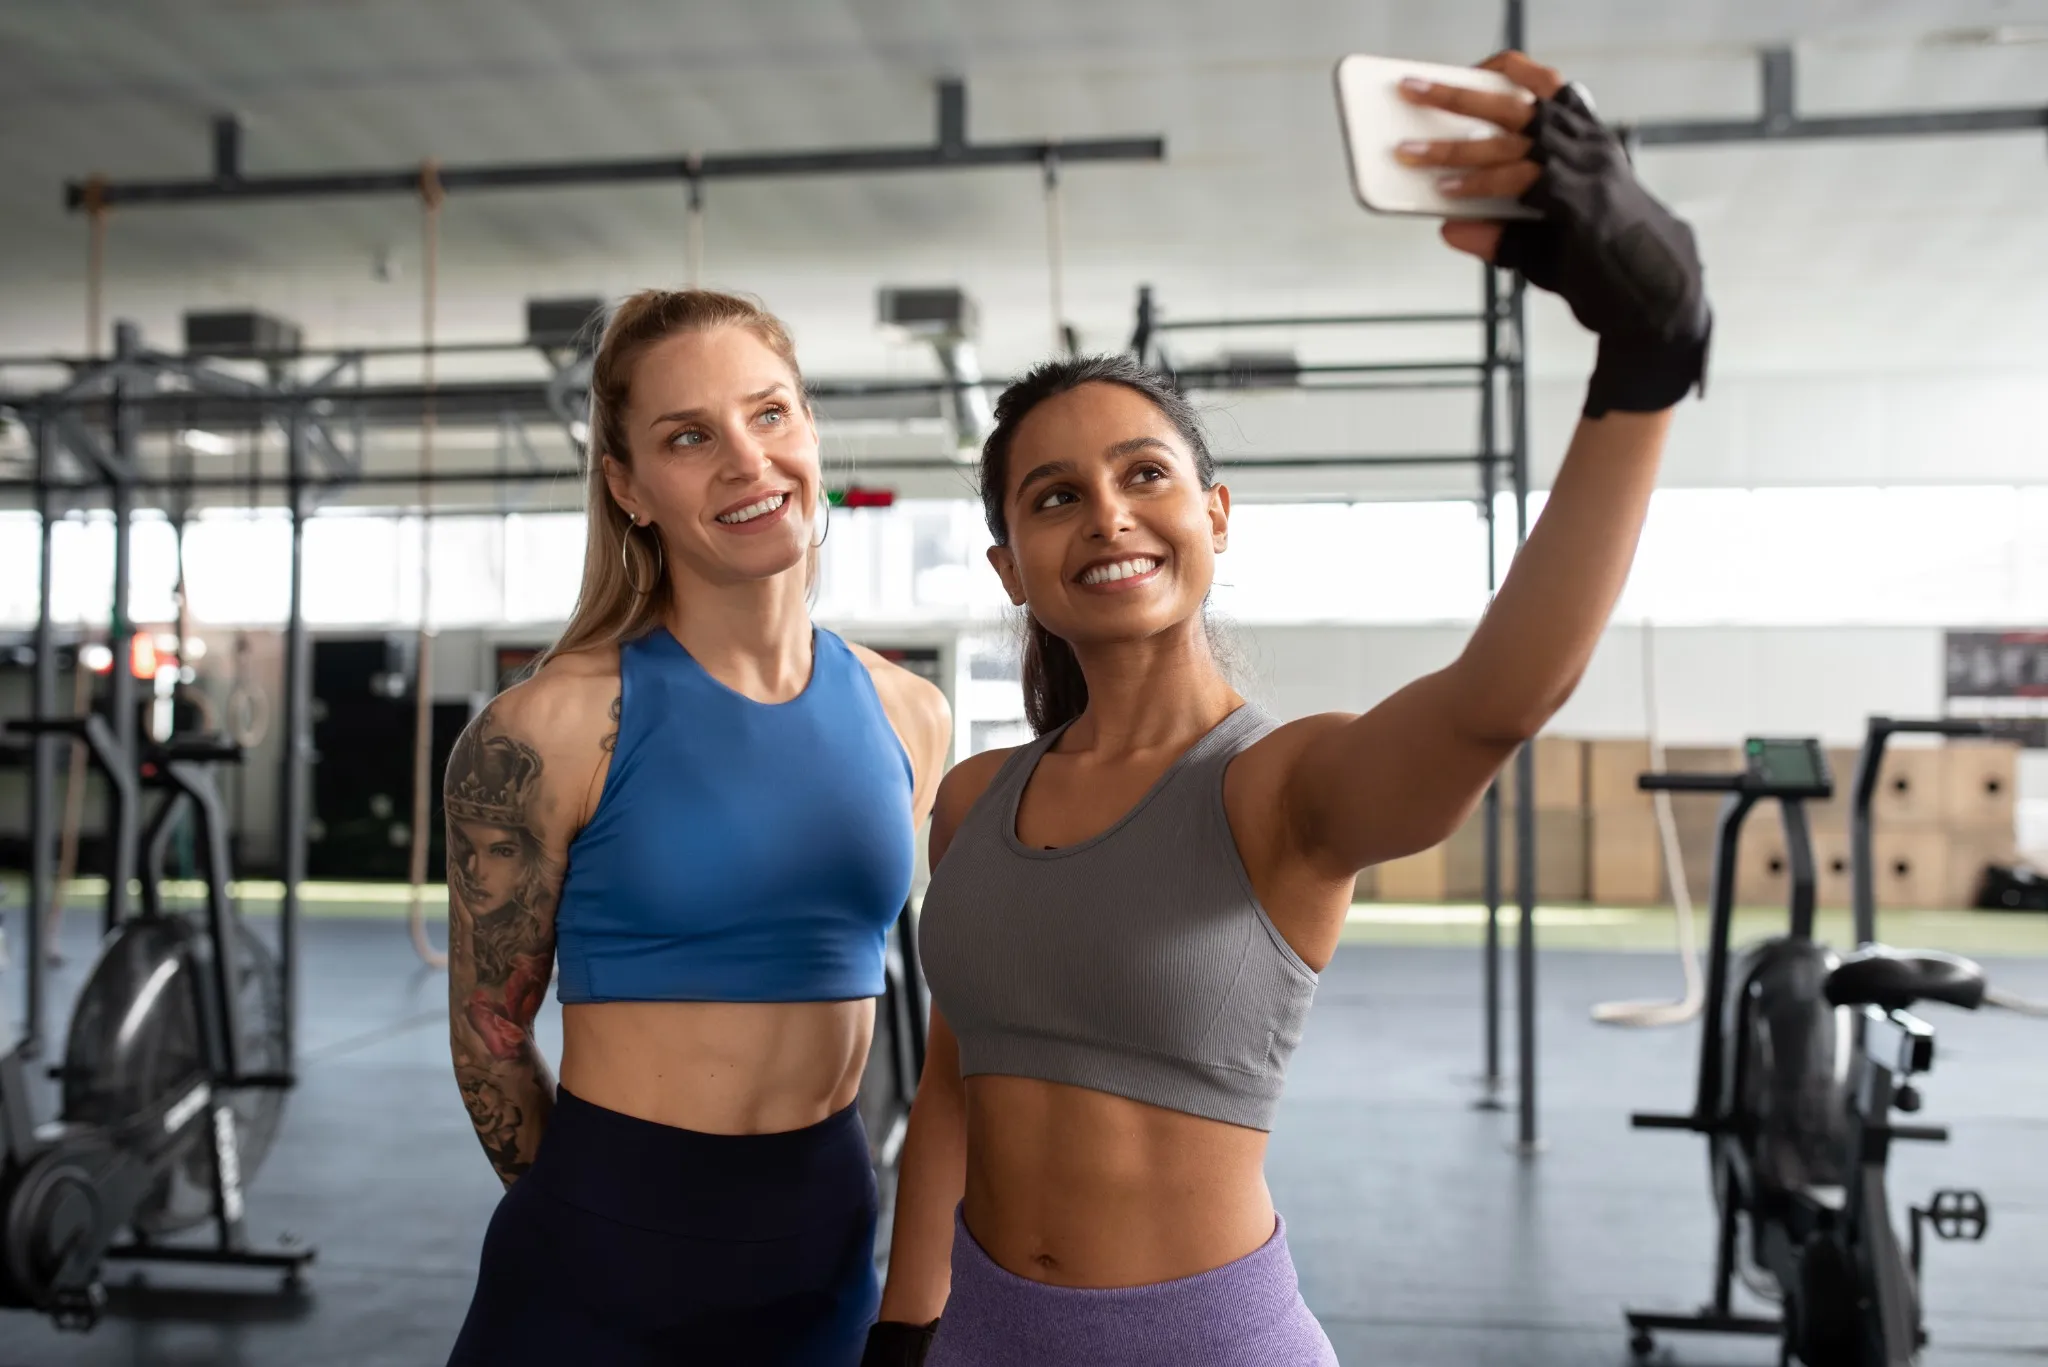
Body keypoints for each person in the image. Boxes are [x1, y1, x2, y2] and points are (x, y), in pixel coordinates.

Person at [864, 51, 1711, 1366]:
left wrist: (1646, 363)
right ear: (1007, 567)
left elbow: (1497, 699)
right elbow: (953, 1085)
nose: (1106, 514)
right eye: (1052, 494)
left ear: (1211, 514)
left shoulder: (1284, 787)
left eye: (1144, 472)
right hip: (979, 1333)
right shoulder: (974, 801)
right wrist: (904, 1324)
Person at [442, 288, 951, 1367]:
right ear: (627, 487)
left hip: (823, 1251)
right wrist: (605, 1216)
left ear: (809, 427)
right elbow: (488, 1035)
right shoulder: (550, 725)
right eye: (687, 435)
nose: (745, 459)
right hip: (600, 1260)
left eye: (769, 414)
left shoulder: (910, 714)